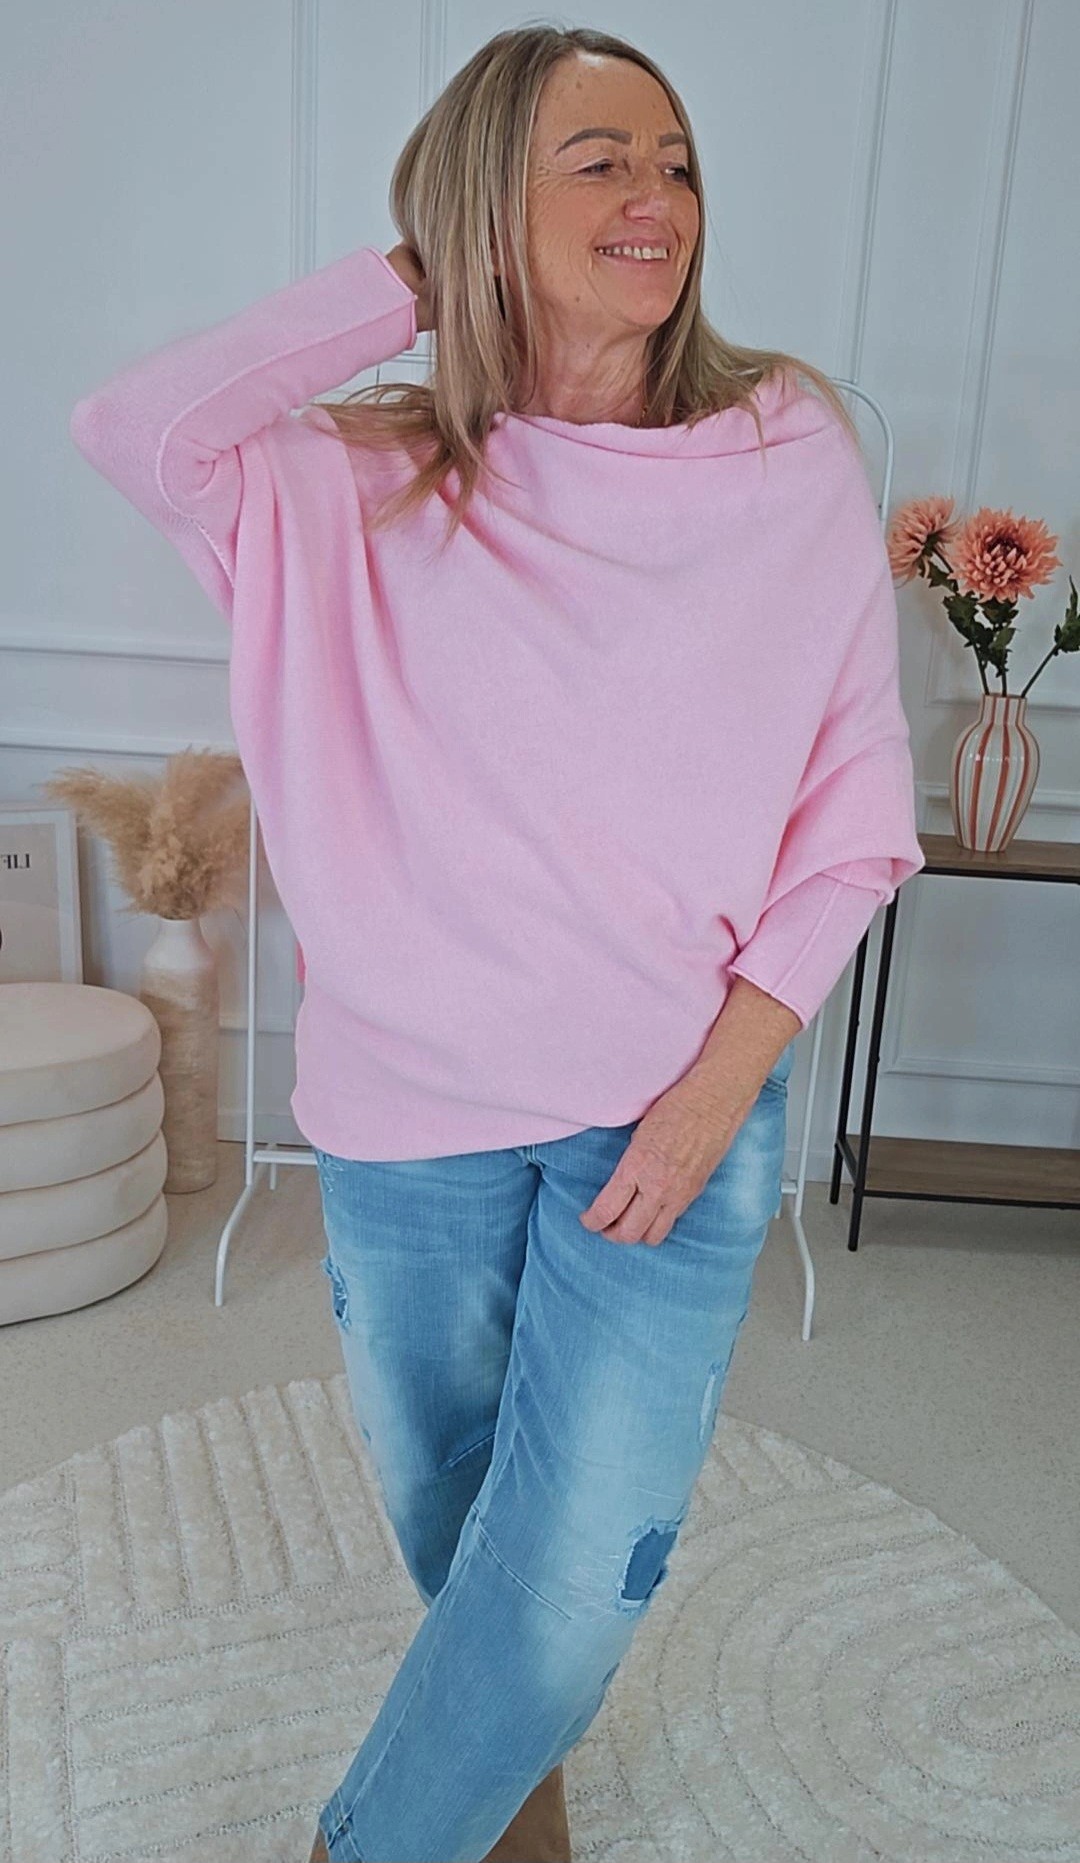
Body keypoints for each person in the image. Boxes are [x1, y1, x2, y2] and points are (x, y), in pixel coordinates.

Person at [68, 24, 926, 1863]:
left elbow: (855, 819)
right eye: (597, 160)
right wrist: (414, 283)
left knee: (571, 1568)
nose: (656, 196)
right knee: (461, 1526)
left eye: (675, 160)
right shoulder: (341, 480)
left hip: (668, 1113)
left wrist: (713, 1098)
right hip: (405, 1122)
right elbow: (130, 427)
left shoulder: (783, 447)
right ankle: (510, 1811)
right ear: (479, 207)